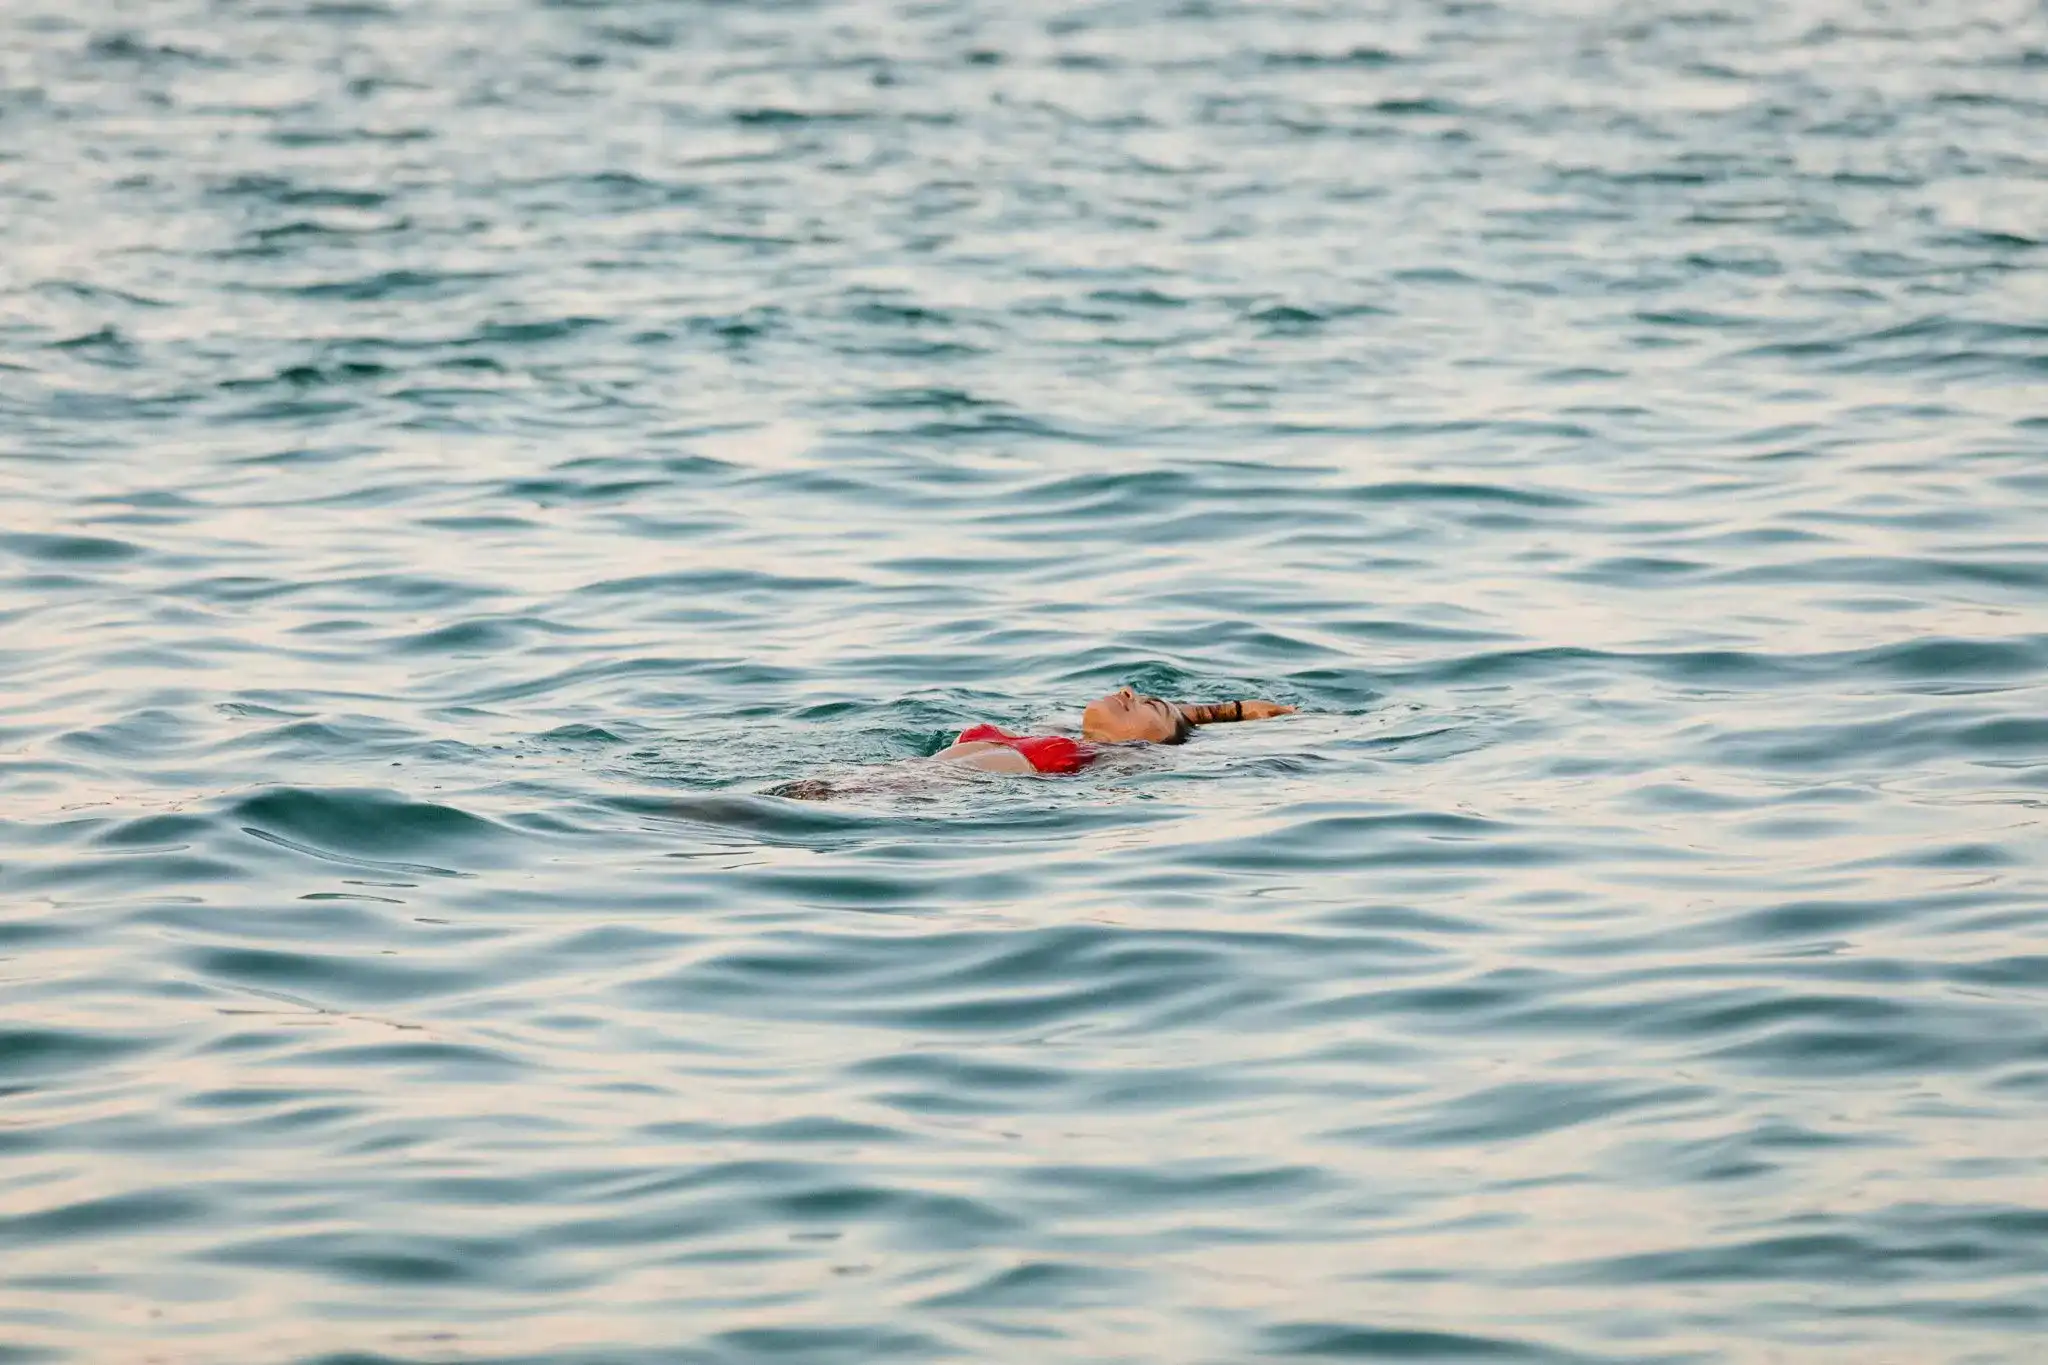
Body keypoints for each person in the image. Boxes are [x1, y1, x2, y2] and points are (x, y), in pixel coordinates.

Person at [768, 687, 1295, 798]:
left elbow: (1183, 725)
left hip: (938, 784)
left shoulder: (1124, 760)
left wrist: (1233, 716)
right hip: (904, 777)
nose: (1131, 692)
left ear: (1157, 743)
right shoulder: (1048, 729)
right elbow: (1185, 715)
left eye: (1151, 707)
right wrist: (1218, 710)